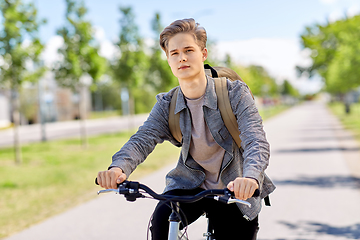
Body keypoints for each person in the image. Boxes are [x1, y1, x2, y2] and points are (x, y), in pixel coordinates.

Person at [97, 18, 275, 240]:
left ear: (203, 54)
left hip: (235, 188)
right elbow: (142, 139)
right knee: (161, 223)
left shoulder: (235, 94)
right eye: (174, 53)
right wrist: (118, 168)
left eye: (188, 50)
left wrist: (250, 178)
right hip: (189, 185)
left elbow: (255, 141)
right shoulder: (167, 104)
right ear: (169, 60)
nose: (181, 57)